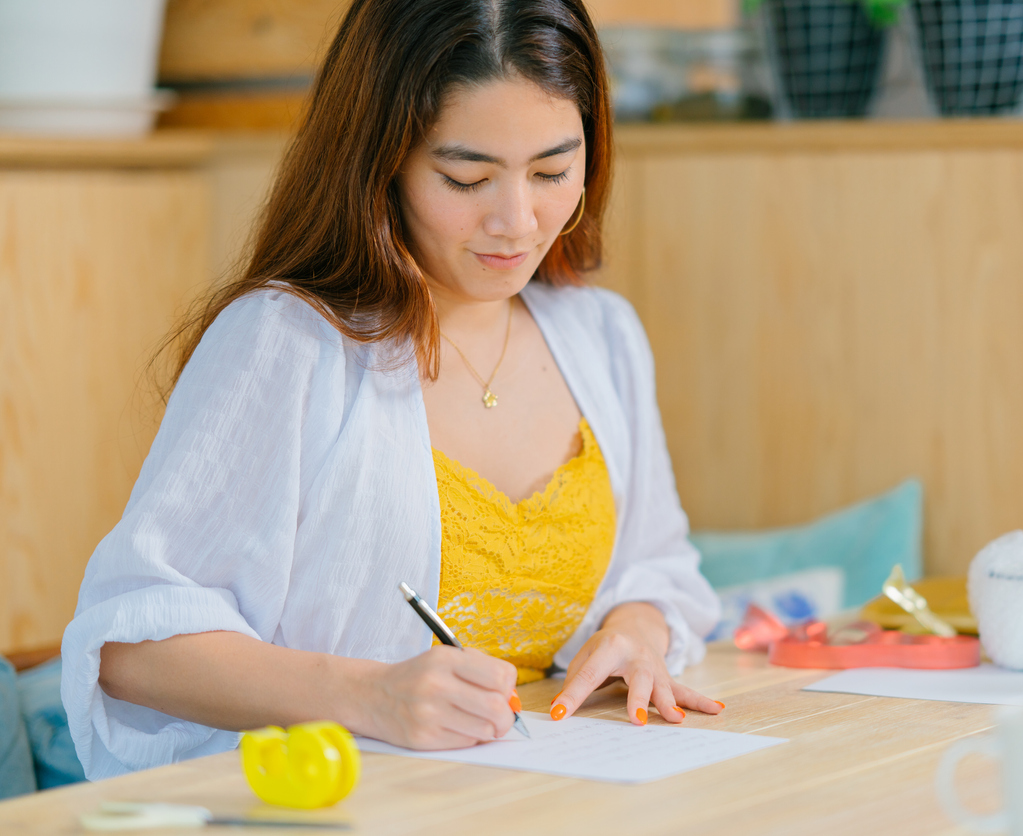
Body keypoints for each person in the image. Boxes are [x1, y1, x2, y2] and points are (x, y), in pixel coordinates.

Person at [61, 0, 721, 781]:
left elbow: (658, 564)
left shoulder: (601, 336)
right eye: (466, 177)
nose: (517, 220)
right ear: (383, 161)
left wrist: (638, 629)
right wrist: (369, 695)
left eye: (552, 170)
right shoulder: (289, 341)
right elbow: (131, 645)